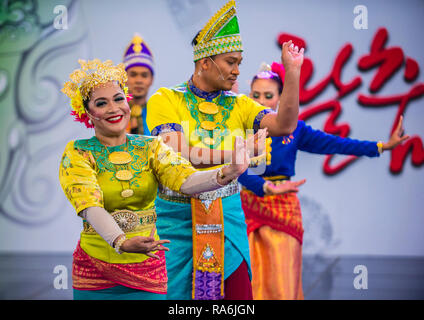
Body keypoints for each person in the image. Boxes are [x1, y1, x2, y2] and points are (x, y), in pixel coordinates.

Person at [146, 0, 304, 300]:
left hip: (226, 220)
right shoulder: (165, 99)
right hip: (175, 222)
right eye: (230, 62)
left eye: (239, 63)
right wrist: (235, 154)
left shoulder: (239, 104)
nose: (236, 71)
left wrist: (292, 72)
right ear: (205, 61)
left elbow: (283, 125)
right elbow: (177, 151)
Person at [59, 58, 250, 300]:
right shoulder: (78, 152)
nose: (114, 108)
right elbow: (89, 206)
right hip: (97, 270)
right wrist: (121, 242)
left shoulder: (151, 147)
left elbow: (184, 179)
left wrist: (226, 173)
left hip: (148, 268)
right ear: (87, 113)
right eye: (101, 103)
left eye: (118, 99)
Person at [238, 63, 410, 300]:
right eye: (255, 95)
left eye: (269, 96)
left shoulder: (293, 129)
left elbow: (337, 144)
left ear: (281, 98)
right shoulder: (242, 128)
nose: (262, 101)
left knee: (282, 282)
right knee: (250, 282)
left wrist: (381, 147)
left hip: (283, 211)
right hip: (249, 210)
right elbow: (239, 171)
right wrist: (264, 187)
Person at [123, 33, 154, 135]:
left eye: (144, 75)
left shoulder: (159, 113)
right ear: (124, 78)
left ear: (151, 79)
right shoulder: (115, 114)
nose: (139, 80)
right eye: (133, 75)